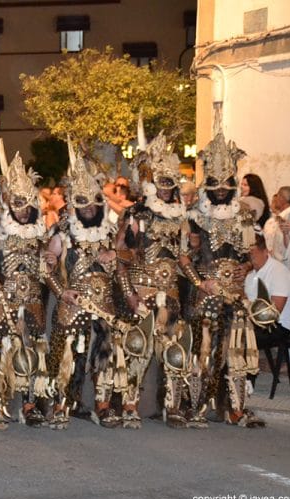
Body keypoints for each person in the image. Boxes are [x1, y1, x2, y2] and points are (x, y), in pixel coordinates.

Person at [181, 107, 263, 428]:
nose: (219, 189)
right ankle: (197, 405)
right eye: (213, 183)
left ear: (232, 183)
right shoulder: (195, 216)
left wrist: (247, 267)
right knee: (203, 349)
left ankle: (234, 408)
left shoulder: (243, 215)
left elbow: (251, 253)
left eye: (225, 183)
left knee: (236, 350)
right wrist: (199, 283)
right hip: (206, 292)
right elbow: (183, 257)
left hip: (235, 294)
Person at [0, 140, 52, 428]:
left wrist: (51, 264)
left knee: (32, 350)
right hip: (2, 300)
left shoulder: (40, 233)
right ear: (8, 201)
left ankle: (30, 404)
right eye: (18, 204)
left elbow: (45, 268)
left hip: (32, 300)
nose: (23, 211)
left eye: (28, 204)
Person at [117, 120, 186, 428]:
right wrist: (129, 294)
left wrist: (200, 282)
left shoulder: (181, 217)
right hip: (141, 290)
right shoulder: (135, 214)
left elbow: (184, 257)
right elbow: (121, 258)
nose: (166, 189)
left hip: (170, 292)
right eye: (162, 183)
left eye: (171, 183)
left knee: (173, 348)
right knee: (138, 349)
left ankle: (172, 406)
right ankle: (129, 404)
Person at [45, 142, 119, 429]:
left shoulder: (109, 231)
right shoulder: (62, 232)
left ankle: (102, 405)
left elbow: (125, 261)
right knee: (68, 355)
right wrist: (61, 291)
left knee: (103, 355)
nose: (88, 207)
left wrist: (115, 255)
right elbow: (45, 267)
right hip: (72, 305)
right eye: (82, 201)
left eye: (93, 201)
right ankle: (61, 404)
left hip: (103, 305)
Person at [244, 234, 290, 352]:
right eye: (247, 254)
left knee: (236, 338)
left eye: (252, 253)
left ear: (265, 251)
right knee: (225, 330)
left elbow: (274, 312)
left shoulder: (278, 271)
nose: (249, 257)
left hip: (277, 326)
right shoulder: (250, 275)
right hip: (256, 324)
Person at [263, 186, 290, 261]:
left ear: (282, 199)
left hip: (284, 261)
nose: (275, 199)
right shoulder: (284, 215)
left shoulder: (289, 216)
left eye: (277, 195)